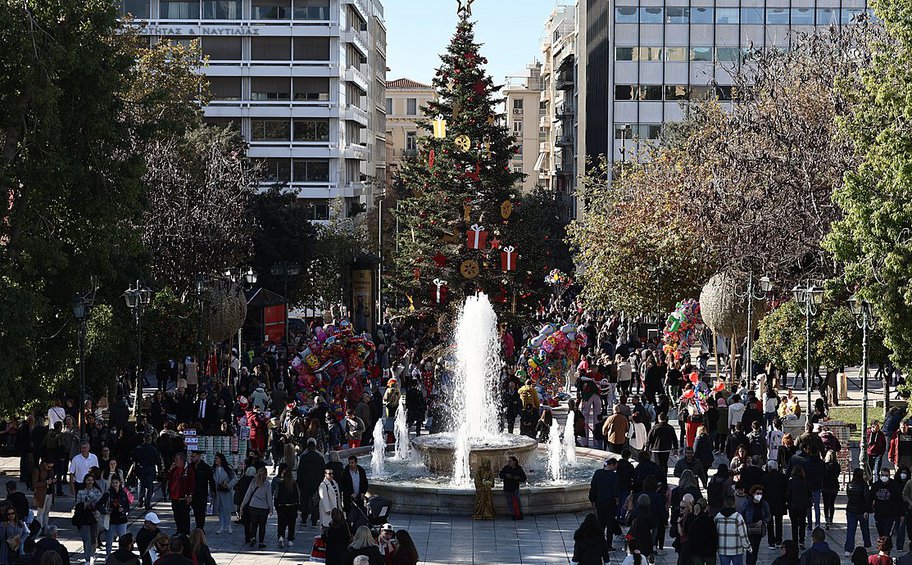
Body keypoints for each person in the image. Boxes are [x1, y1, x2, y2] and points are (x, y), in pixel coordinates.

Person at [588, 458, 620, 546]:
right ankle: (609, 544)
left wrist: (592, 499)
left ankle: (600, 542)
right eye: (615, 467)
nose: (615, 469)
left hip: (599, 501)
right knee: (610, 523)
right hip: (610, 502)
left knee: (601, 523)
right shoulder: (613, 476)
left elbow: (593, 487)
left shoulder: (598, 473)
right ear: (612, 465)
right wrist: (617, 500)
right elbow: (615, 491)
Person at [241, 466, 273, 548]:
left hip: (253, 505)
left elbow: (248, 494)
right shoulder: (267, 484)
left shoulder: (253, 482)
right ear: (266, 474)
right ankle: (261, 541)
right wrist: (271, 508)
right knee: (262, 525)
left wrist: (243, 504)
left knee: (254, 524)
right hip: (263, 507)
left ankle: (253, 537)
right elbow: (269, 497)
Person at [97, 476, 130, 556]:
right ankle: (108, 556)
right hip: (111, 520)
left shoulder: (124, 493)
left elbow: (128, 507)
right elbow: (98, 505)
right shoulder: (108, 494)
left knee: (123, 540)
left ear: (120, 483)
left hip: (122, 520)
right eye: (113, 483)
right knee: (109, 541)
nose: (115, 484)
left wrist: (123, 510)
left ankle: (122, 556)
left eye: (116, 483)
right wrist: (105, 511)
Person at [74, 473, 102, 565]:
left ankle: (92, 555)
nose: (90, 482)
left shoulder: (97, 491)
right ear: (85, 481)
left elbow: (99, 502)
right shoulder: (80, 491)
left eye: (91, 480)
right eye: (88, 480)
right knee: (87, 539)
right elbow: (77, 504)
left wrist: (92, 495)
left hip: (95, 517)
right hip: (84, 518)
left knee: (94, 539)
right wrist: (84, 505)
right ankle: (87, 559)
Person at [714, 493, 750, 565]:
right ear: (734, 503)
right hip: (737, 549)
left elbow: (714, 532)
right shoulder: (738, 516)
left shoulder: (718, 516)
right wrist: (748, 546)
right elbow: (743, 534)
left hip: (723, 549)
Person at [739, 485, 771, 565]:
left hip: (759, 530)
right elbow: (741, 514)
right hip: (749, 529)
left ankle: (753, 562)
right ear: (753, 494)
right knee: (750, 548)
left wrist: (762, 521)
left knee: (755, 548)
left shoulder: (764, 504)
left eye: (761, 493)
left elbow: (768, 516)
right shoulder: (747, 503)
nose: (759, 495)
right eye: (757, 493)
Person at [297, 438, 325, 527]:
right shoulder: (320, 457)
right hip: (316, 484)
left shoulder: (303, 457)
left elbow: (300, 471)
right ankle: (314, 521)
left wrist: (299, 483)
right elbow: (323, 471)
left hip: (305, 485)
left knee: (304, 502)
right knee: (315, 503)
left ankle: (304, 520)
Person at [761, 460, 788, 550]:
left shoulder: (765, 478)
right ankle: (778, 541)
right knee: (779, 522)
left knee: (770, 523)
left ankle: (771, 542)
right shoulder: (782, 477)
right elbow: (786, 490)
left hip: (769, 503)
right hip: (780, 502)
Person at [870, 468, 902, 542]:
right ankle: (883, 547)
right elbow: (870, 497)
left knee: (887, 534)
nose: (884, 477)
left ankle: (886, 549)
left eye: (886, 475)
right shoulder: (876, 485)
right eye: (883, 475)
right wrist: (868, 509)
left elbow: (899, 500)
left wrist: (901, 514)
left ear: (889, 476)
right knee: (881, 534)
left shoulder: (894, 485)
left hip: (890, 514)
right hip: (879, 513)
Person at [166, 452, 195, 536]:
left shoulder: (188, 469)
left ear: (181, 460)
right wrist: (170, 469)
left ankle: (185, 532)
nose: (175, 461)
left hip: (183, 497)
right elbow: (168, 478)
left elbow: (192, 483)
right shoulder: (174, 469)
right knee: (177, 516)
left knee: (184, 516)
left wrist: (190, 494)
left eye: (176, 459)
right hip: (174, 496)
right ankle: (179, 531)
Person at [273, 464, 301, 548]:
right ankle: (290, 539)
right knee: (291, 524)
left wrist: (277, 506)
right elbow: (297, 496)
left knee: (281, 523)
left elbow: (276, 496)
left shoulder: (280, 484)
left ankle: (281, 536)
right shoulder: (294, 484)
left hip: (282, 506)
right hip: (292, 506)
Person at [687, 498, 719, 565]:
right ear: (706, 507)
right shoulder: (709, 520)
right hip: (709, 551)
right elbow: (714, 536)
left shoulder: (690, 518)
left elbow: (687, 532)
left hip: (695, 550)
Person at [133, 434, 160, 512]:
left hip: (140, 468)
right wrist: (159, 470)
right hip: (150, 468)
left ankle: (140, 501)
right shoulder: (153, 449)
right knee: (149, 486)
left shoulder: (138, 448)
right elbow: (157, 461)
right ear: (150, 440)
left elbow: (134, 459)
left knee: (140, 484)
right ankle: (147, 503)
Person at [786, 465, 811, 548]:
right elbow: (809, 493)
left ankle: (795, 541)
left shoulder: (791, 482)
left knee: (794, 525)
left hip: (793, 506)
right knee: (802, 523)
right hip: (803, 506)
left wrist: (788, 503)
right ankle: (802, 540)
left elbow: (788, 494)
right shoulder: (805, 481)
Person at [211, 452, 236, 534]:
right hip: (218, 492)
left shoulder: (228, 469)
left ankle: (228, 525)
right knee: (220, 509)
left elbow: (234, 479)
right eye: (215, 459)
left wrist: (228, 485)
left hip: (226, 492)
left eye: (217, 459)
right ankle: (222, 525)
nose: (215, 460)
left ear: (221, 460)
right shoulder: (213, 469)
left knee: (227, 509)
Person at [341, 455, 369, 526]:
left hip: (359, 498)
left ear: (356, 463)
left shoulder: (361, 471)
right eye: (350, 463)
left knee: (359, 515)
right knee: (349, 516)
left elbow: (365, 483)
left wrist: (363, 492)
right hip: (349, 499)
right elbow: (344, 486)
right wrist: (351, 494)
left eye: (352, 463)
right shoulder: (345, 472)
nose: (351, 464)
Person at [188, 451, 213, 532]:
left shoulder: (205, 467)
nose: (192, 458)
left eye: (193, 456)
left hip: (202, 493)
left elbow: (211, 479)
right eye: (191, 456)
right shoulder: (190, 467)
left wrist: (213, 491)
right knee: (195, 510)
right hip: (192, 492)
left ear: (199, 456)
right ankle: (198, 526)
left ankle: (200, 527)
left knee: (201, 511)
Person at [628, 494, 656, 563]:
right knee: (644, 556)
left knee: (632, 556)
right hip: (646, 538)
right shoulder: (650, 514)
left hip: (632, 536)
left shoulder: (634, 512)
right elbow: (653, 525)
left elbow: (627, 522)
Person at [498, 456, 527, 521]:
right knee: (510, 501)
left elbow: (524, 478)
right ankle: (513, 514)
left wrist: (518, 478)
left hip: (515, 487)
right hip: (507, 488)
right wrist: (506, 475)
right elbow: (500, 475)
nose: (508, 462)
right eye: (508, 461)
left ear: (514, 461)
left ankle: (520, 514)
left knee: (518, 500)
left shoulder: (519, 468)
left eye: (510, 461)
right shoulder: (506, 468)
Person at [32, 459, 56, 533]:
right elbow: (34, 484)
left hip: (49, 492)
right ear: (44, 463)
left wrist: (53, 481)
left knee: (47, 511)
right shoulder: (37, 470)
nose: (50, 468)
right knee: (41, 512)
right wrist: (45, 482)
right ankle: (40, 528)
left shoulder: (50, 470)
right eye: (48, 466)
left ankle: (45, 527)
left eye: (51, 467)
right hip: (41, 493)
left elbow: (51, 478)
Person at [820, 450, 840, 529]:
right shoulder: (837, 465)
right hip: (834, 486)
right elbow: (838, 474)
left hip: (825, 486)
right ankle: (831, 519)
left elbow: (822, 475)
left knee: (826, 504)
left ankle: (826, 519)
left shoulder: (824, 465)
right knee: (832, 504)